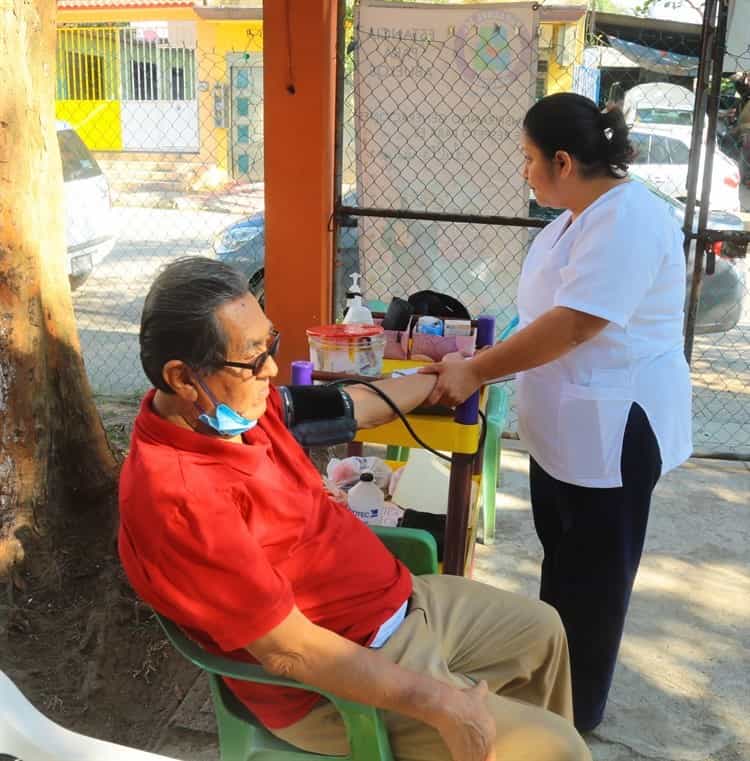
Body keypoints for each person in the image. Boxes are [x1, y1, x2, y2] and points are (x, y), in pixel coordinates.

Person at [118, 257, 591, 761]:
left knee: (542, 634)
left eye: (270, 344)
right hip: (337, 681)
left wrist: (447, 376)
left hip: (400, 604)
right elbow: (290, 650)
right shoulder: (180, 500)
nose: (272, 369)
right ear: (183, 378)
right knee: (557, 749)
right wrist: (442, 704)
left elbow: (354, 406)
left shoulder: (234, 413)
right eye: (254, 358)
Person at [421, 93, 692, 733]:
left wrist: (477, 370)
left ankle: (576, 717)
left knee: (594, 580)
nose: (525, 171)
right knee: (564, 565)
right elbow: (541, 315)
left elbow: (574, 324)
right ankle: (552, 689)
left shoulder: (630, 220)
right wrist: (476, 350)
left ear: (563, 161)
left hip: (615, 428)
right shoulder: (570, 220)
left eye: (529, 158)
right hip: (566, 430)